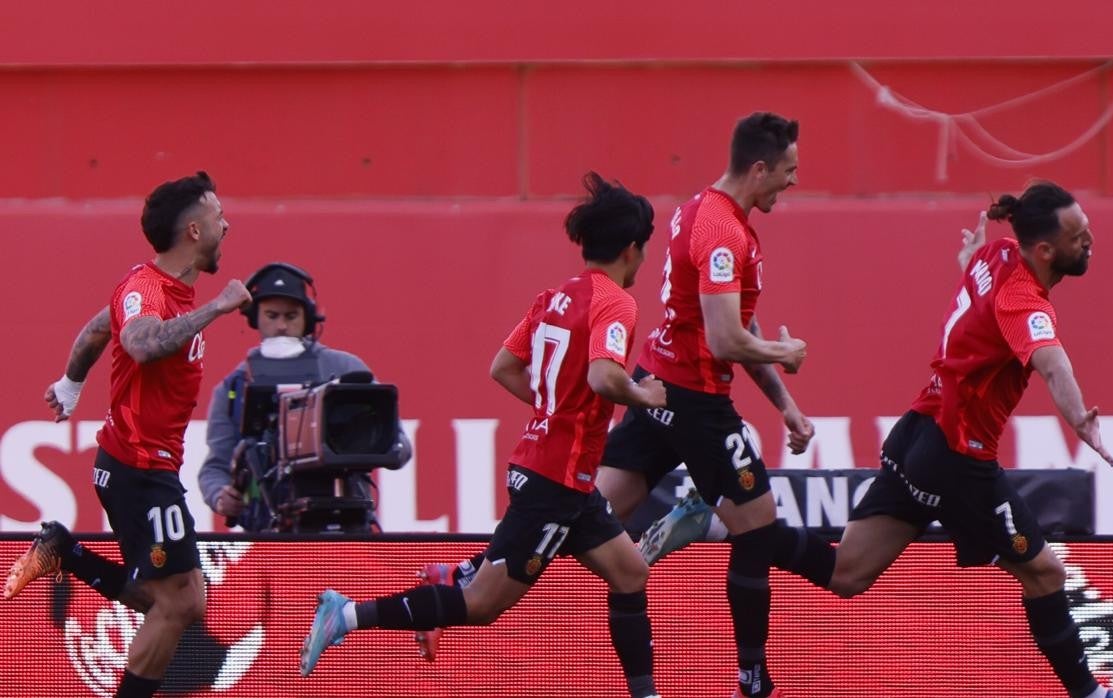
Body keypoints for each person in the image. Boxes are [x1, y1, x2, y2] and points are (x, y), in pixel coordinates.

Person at [421, 113, 833, 697]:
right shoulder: (721, 232)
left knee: (577, 513)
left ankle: (461, 575)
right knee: (757, 531)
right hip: (694, 398)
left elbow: (731, 317)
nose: (793, 182)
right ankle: (752, 676)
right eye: (789, 171)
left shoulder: (700, 209)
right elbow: (725, 339)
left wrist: (784, 403)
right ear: (760, 167)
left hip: (656, 385)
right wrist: (784, 353)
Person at [298, 172, 668, 698]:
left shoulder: (554, 298)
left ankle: (644, 693)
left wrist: (555, 410)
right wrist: (644, 396)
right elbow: (604, 376)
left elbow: (503, 367)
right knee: (482, 605)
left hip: (563, 473)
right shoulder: (616, 302)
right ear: (632, 250)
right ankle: (349, 614)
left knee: (630, 573)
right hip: (555, 479)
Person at [824, 183, 1113, 698]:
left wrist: (969, 257)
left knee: (847, 573)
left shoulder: (996, 252)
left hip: (917, 432)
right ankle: (1092, 695)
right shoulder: (1024, 299)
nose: (1091, 241)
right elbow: (1053, 365)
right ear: (1046, 251)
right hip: (959, 455)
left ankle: (736, 526)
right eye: (1079, 237)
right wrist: (1080, 419)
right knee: (1045, 573)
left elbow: (978, 279)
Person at [4, 172, 251, 698]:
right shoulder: (148, 290)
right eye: (217, 215)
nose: (226, 225)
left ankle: (64, 552)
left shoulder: (168, 290)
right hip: (139, 469)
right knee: (180, 604)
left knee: (179, 599)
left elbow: (99, 329)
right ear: (192, 230)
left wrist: (70, 384)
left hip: (143, 467)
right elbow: (140, 344)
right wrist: (219, 308)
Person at [198, 261, 412, 533]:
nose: (282, 326)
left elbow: (399, 445)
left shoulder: (347, 370)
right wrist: (220, 496)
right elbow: (215, 467)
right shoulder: (233, 388)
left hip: (347, 525)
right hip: (267, 530)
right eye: (272, 316)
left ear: (308, 318)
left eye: (291, 316)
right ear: (255, 318)